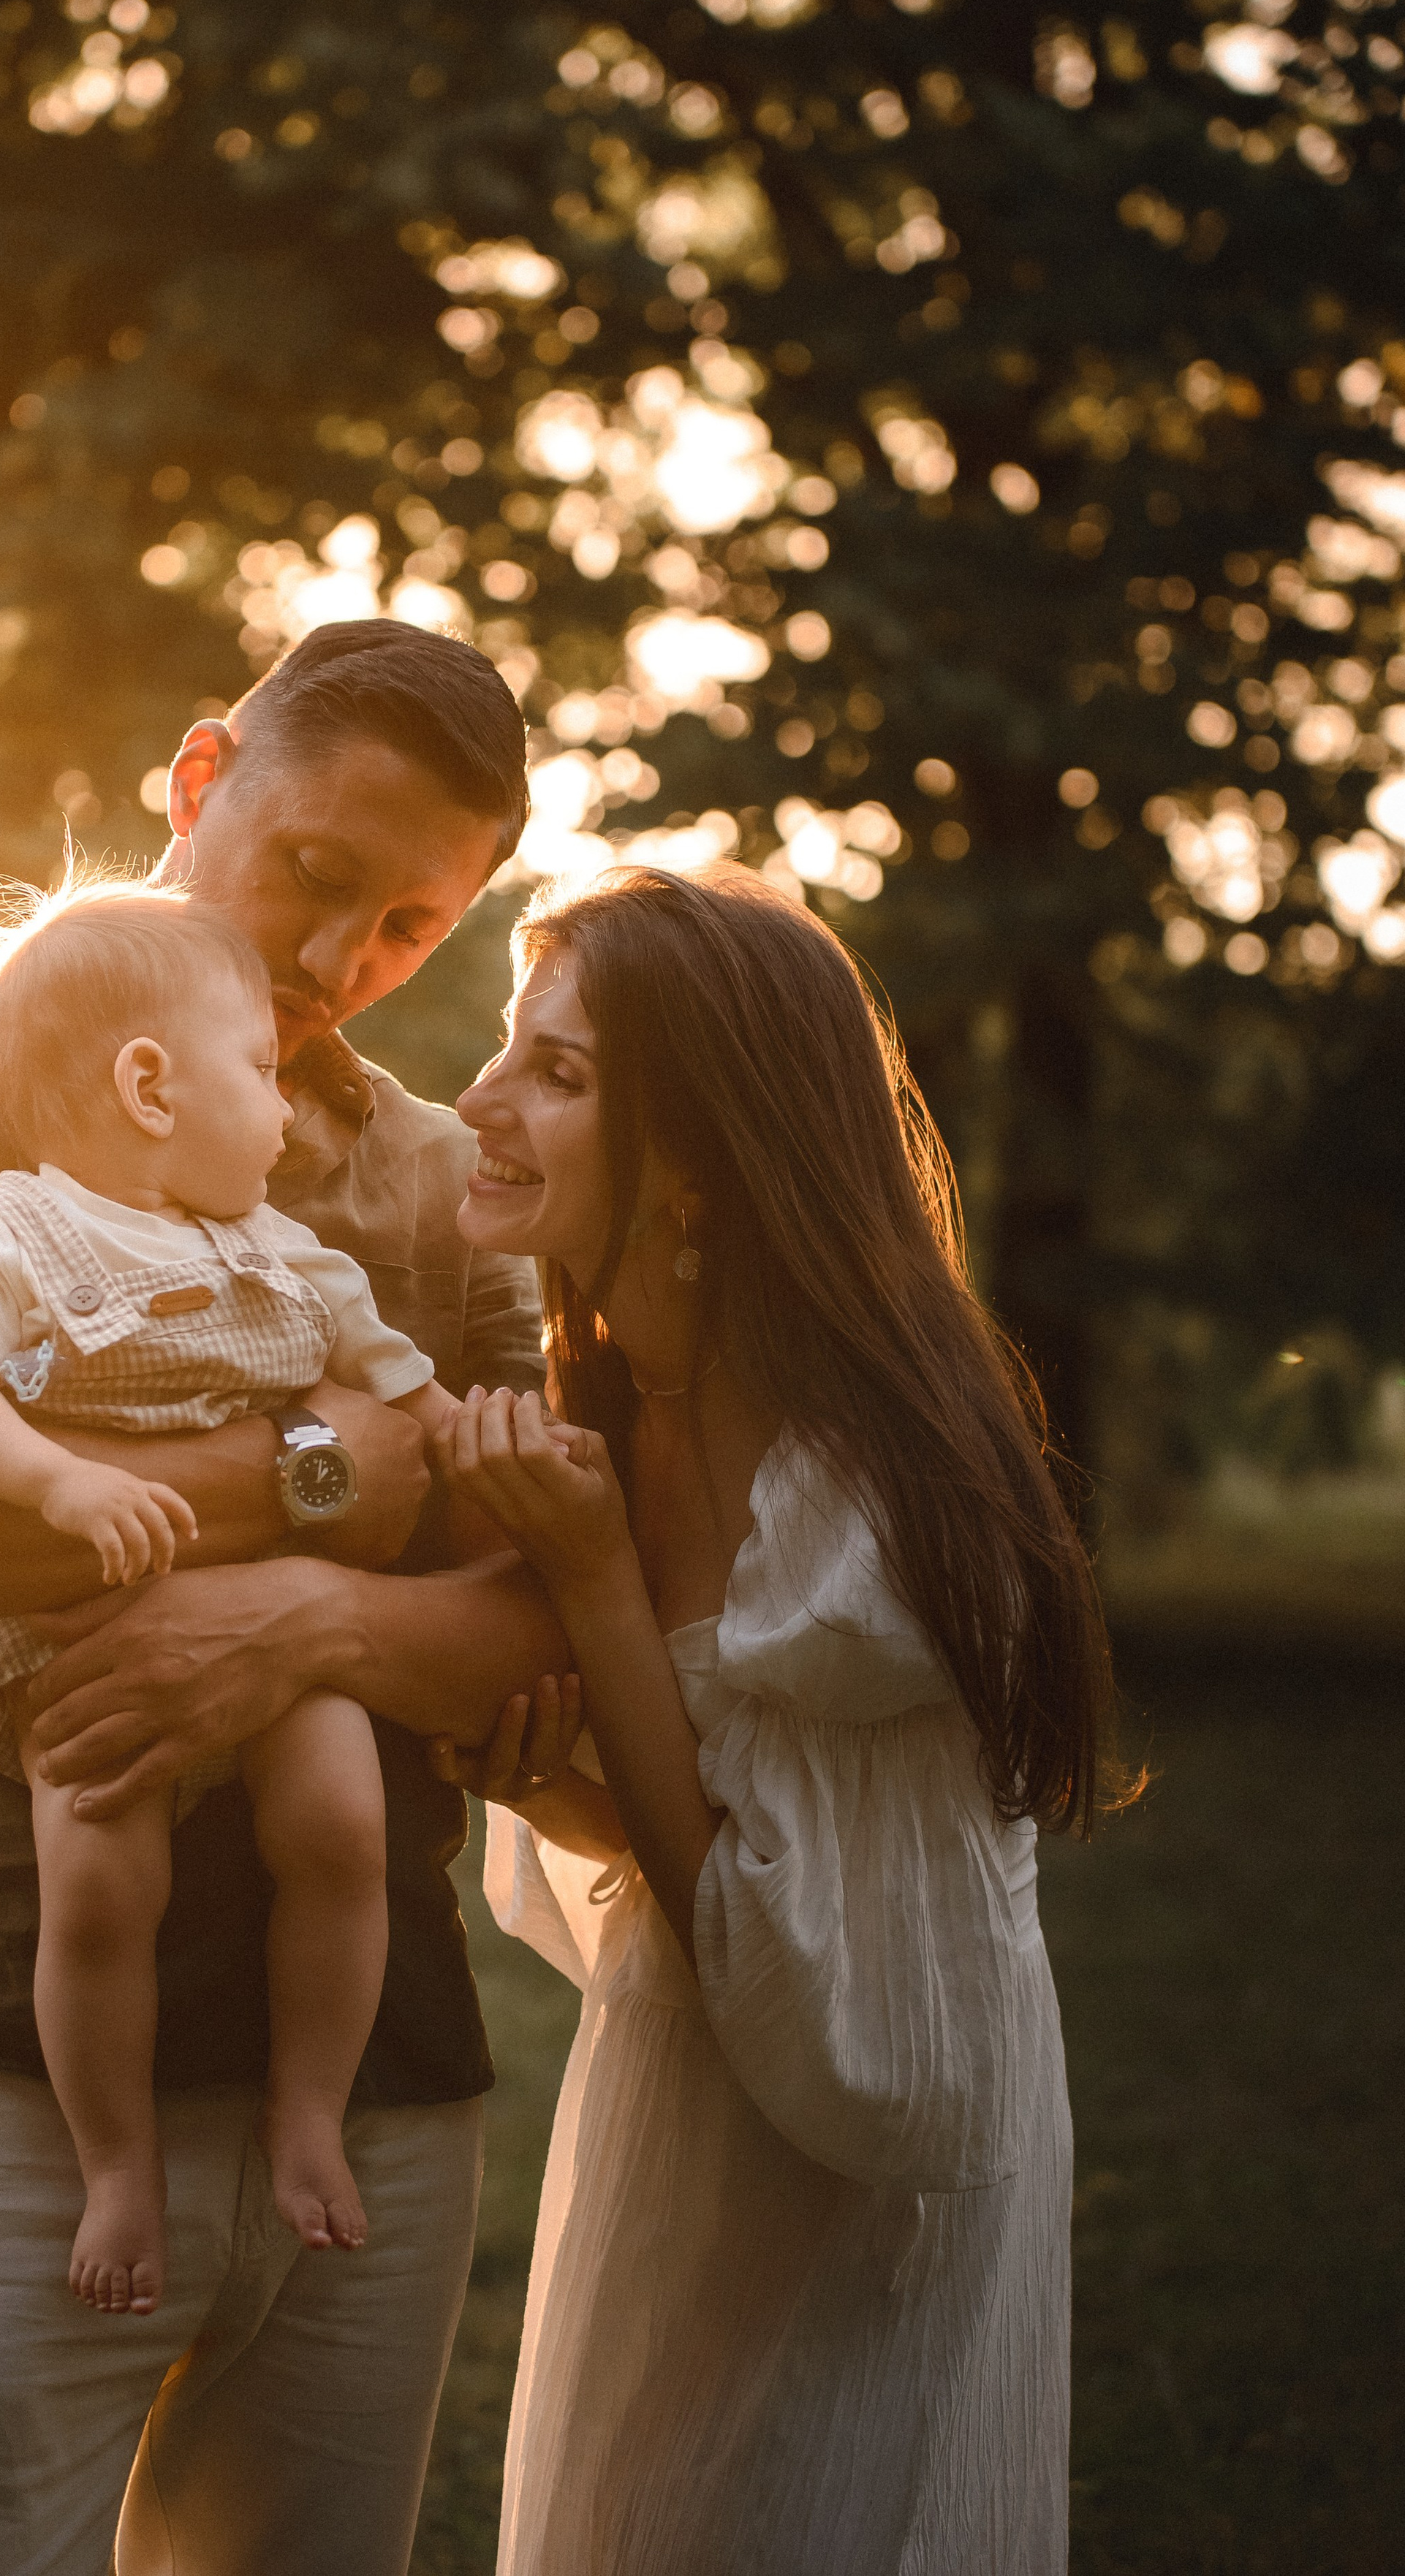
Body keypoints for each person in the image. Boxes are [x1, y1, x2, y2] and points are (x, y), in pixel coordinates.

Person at [0, 618, 567, 2576]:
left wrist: (307, 1627)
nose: (341, 961)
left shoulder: (446, 1179)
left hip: (365, 2093)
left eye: (409, 928)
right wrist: (318, 1489)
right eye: (314, 874)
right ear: (202, 783)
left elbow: (549, 1588)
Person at [428, 859, 1128, 2576]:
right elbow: (717, 1857)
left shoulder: (858, 1508)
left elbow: (821, 1992)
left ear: (698, 1165)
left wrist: (594, 1582)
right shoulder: (619, 1394)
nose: (480, 1098)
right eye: (507, 1050)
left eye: (559, 1072)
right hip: (686, 2091)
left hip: (862, 2153)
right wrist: (553, 1782)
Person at [0, 882, 467, 2311]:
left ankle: (308, 2112)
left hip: (275, 1615)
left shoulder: (286, 1257)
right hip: (73, 1636)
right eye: (260, 1073)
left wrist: (483, 1445)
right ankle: (117, 2167)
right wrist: (54, 1485)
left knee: (338, 1826)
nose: (283, 1114)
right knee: (99, 1888)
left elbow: (409, 1400)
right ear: (148, 1084)